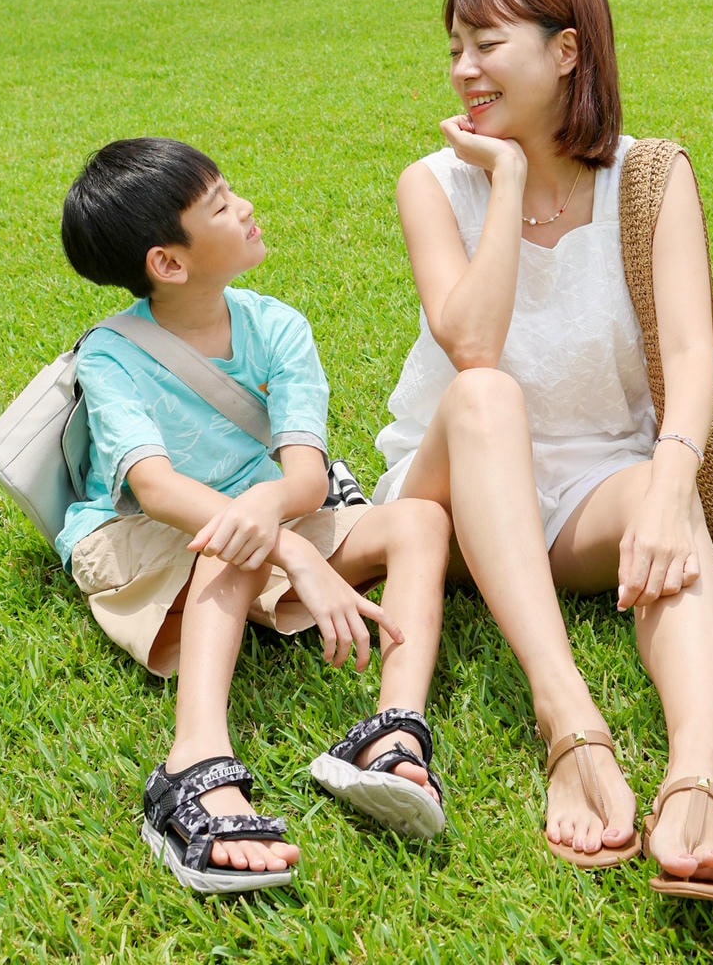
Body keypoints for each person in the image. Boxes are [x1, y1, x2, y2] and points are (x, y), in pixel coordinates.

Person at [373, 0, 713, 901]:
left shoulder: (650, 177)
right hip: (458, 491)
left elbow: (690, 357)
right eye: (454, 46)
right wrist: (504, 181)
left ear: (568, 51)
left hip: (590, 486)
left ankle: (696, 774)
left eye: (487, 43)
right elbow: (470, 346)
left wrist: (669, 493)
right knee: (488, 394)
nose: (463, 68)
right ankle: (567, 719)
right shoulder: (435, 182)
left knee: (672, 508)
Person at [58, 137, 450, 896]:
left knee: (422, 521)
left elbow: (304, 475)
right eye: (221, 207)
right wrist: (293, 554)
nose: (246, 209)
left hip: (262, 515)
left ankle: (393, 731)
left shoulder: (277, 326)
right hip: (147, 536)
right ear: (167, 263)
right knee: (230, 543)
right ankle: (192, 764)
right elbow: (159, 489)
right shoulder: (109, 355)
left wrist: (275, 516)